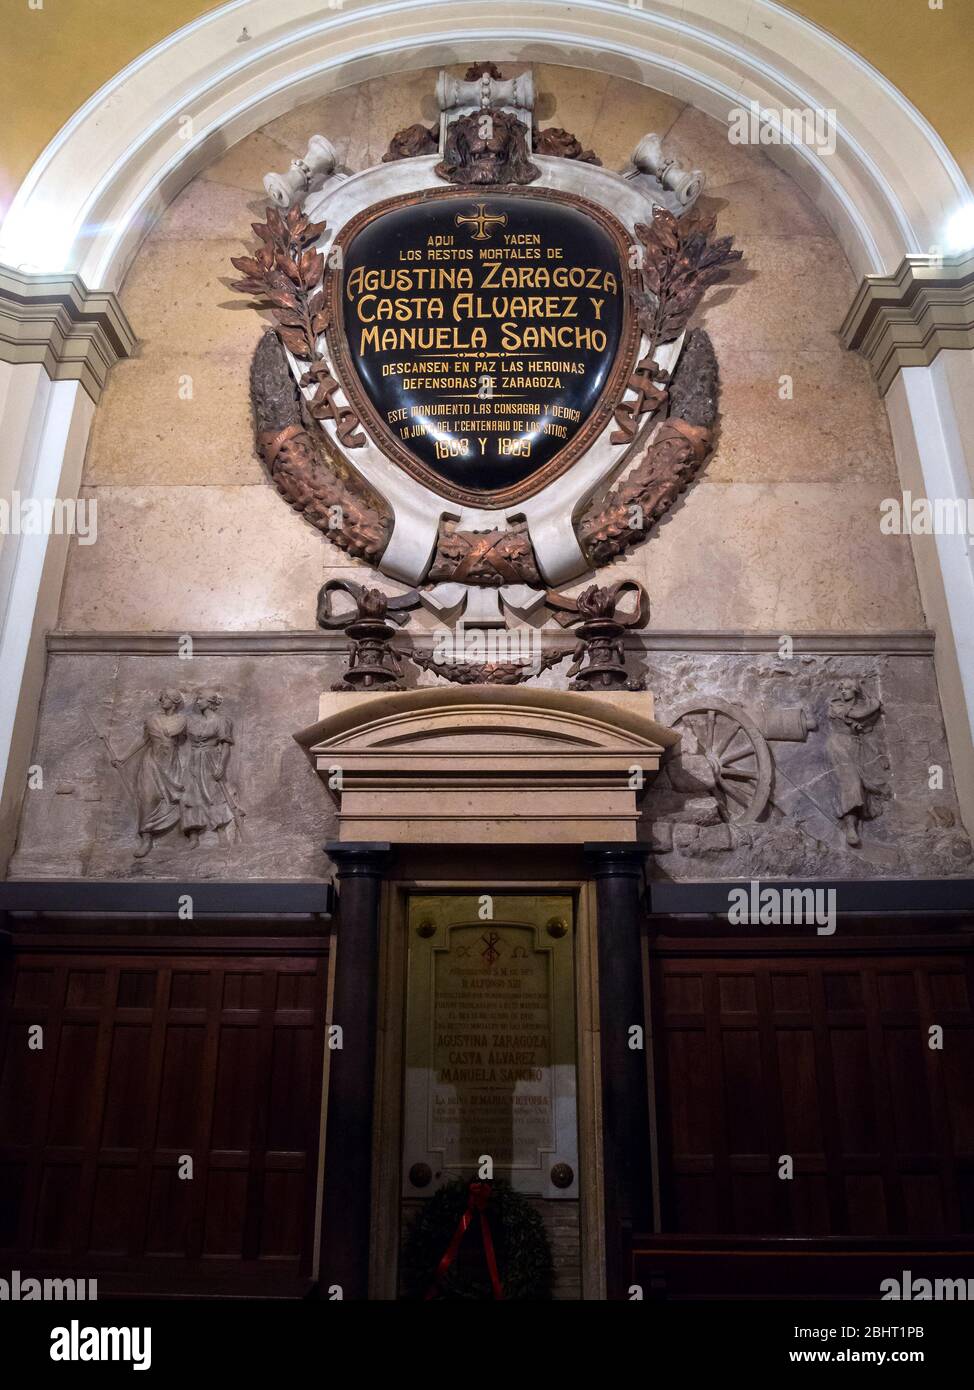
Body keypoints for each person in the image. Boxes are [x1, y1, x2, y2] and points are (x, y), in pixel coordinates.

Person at [112, 689, 186, 858]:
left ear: (175, 701)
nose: (161, 700)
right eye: (161, 698)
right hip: (151, 761)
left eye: (166, 698)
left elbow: (175, 733)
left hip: (170, 765)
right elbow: (143, 740)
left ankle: (176, 837)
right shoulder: (152, 719)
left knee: (171, 800)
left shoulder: (181, 719)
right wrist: (123, 758)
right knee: (147, 798)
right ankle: (146, 839)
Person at [826, 679, 886, 847]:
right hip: (839, 745)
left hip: (856, 746)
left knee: (864, 785)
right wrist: (873, 704)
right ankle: (850, 828)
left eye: (847, 689)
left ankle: (855, 822)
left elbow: (865, 721)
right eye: (841, 689)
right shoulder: (836, 706)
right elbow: (856, 715)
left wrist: (870, 704)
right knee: (851, 782)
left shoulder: (860, 706)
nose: (843, 692)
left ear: (855, 691)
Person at [181, 690, 238, 846]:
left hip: (211, 759)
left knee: (213, 795)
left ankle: (221, 832)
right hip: (193, 760)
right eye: (197, 699)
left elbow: (226, 746)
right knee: (191, 795)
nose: (197, 702)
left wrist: (221, 766)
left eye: (201, 699)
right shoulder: (192, 720)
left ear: (210, 702)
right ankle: (193, 835)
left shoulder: (221, 721)